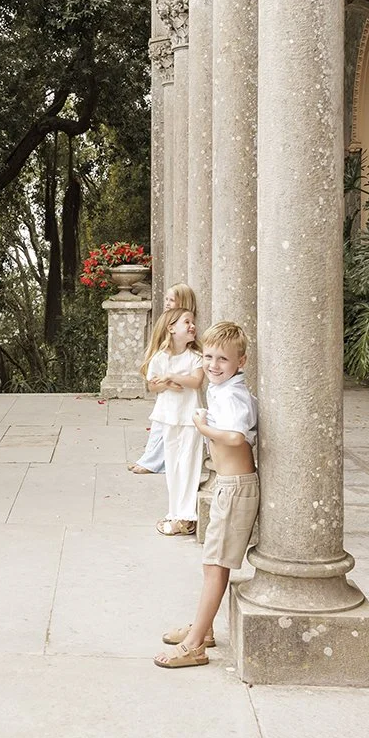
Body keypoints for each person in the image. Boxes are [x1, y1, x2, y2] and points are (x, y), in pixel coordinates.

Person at [155, 320, 258, 668]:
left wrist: (203, 427)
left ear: (240, 363)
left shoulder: (231, 394)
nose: (213, 365)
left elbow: (236, 437)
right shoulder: (222, 388)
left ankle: (195, 644)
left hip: (236, 487)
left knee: (215, 565)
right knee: (212, 563)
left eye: (222, 360)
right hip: (229, 486)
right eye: (209, 357)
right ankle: (205, 628)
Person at [142, 307, 205, 536]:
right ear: (171, 328)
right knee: (173, 465)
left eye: (193, 322)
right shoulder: (160, 358)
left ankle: (187, 516)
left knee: (189, 464)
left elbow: (196, 381)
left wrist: (171, 377)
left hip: (190, 417)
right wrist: (166, 384)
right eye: (186, 321)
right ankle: (175, 511)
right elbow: (152, 385)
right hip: (169, 417)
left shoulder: (195, 357)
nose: (192, 325)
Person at [130, 282, 200, 475]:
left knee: (167, 428)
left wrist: (170, 377)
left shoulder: (186, 332)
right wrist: (164, 380)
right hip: (166, 386)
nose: (167, 303)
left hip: (182, 395)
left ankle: (152, 462)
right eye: (167, 299)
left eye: (172, 300)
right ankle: (149, 459)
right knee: (160, 427)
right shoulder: (168, 326)